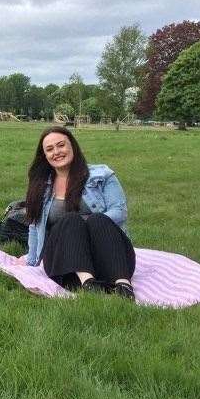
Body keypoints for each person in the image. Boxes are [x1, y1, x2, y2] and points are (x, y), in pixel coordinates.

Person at [18, 126, 135, 299]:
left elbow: (119, 212)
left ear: (72, 146)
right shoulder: (41, 184)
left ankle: (123, 285)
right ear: (44, 156)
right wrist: (32, 262)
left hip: (109, 258)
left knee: (97, 219)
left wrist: (87, 224)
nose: (56, 152)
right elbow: (35, 226)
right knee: (71, 220)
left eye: (61, 145)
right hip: (67, 267)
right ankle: (88, 283)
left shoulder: (101, 175)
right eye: (49, 149)